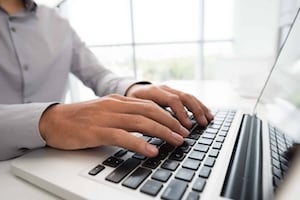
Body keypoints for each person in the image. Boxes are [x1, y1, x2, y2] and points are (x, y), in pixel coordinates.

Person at [0, 0, 213, 161]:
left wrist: (132, 89)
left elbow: (98, 75)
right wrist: (47, 120)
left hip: (55, 159)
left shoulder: (56, 22)